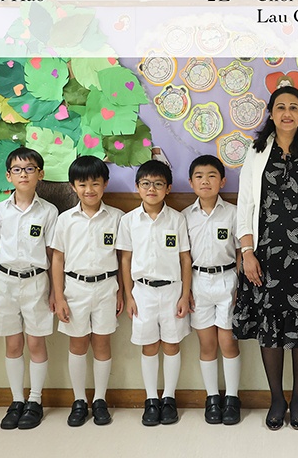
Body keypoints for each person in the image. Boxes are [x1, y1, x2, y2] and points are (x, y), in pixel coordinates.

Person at [233, 85, 298, 431]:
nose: (287, 113)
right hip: (265, 255)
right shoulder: (256, 152)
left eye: (294, 107)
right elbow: (245, 205)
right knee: (271, 327)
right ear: (271, 113)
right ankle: (277, 398)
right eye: (281, 107)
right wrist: (247, 252)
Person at [116, 160, 192, 426]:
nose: (152, 189)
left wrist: (185, 295)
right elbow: (125, 260)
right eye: (146, 183)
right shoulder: (128, 221)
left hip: (172, 291)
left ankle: (169, 398)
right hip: (142, 292)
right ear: (137, 187)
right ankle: (151, 399)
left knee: (171, 344)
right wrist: (129, 295)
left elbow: (185, 259)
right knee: (149, 345)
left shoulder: (177, 219)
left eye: (158, 184)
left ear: (168, 188)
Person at [0, 147, 58, 429]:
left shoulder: (48, 211)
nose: (23, 174)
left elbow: (52, 255)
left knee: (36, 342)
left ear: (40, 174)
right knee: (13, 343)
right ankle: (17, 400)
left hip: (36, 281)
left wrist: (54, 291)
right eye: (17, 169)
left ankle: (35, 400)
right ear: (8, 176)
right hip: (4, 282)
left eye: (30, 169)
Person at [51, 156, 124, 427]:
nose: (89, 189)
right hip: (75, 289)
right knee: (78, 344)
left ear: (105, 184)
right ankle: (79, 400)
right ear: (73, 187)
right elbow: (57, 259)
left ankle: (100, 400)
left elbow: (122, 258)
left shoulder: (117, 217)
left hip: (107, 287)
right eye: (82, 184)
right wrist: (59, 296)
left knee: (102, 343)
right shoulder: (65, 220)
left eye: (95, 183)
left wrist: (121, 292)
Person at [183, 155, 242, 426]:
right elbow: (183, 257)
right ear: (191, 182)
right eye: (199, 176)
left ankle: (232, 398)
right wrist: (186, 290)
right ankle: (212, 398)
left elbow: (241, 252)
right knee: (207, 345)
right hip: (198, 282)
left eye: (211, 176)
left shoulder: (233, 213)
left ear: (222, 181)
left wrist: (240, 285)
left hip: (227, 280)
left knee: (228, 342)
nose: (205, 181)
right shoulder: (185, 217)